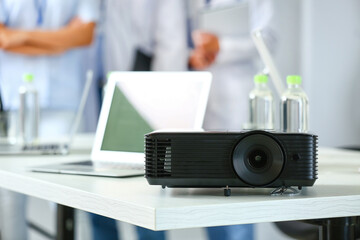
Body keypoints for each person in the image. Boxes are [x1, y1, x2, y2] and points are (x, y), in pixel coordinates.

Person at [0, 0, 100, 239]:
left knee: (71, 195)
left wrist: (20, 38)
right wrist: (61, 38)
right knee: (10, 199)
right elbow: (3, 39)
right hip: (16, 103)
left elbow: (85, 35)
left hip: (63, 101)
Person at [89, 0, 188, 239]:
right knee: (96, 197)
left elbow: (171, 46)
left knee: (143, 196)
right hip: (97, 90)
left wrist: (154, 109)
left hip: (137, 98)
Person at [187, 0, 275, 239]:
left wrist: (221, 45)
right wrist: (192, 56)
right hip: (203, 96)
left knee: (239, 194)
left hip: (236, 100)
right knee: (207, 195)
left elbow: (266, 40)